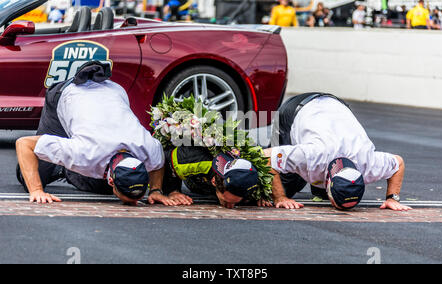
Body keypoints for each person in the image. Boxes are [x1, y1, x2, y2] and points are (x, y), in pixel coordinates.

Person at [15, 61, 171, 206]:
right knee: (32, 178)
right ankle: (61, 167)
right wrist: (36, 190)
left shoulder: (147, 147)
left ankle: (67, 169)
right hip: (66, 93)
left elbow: (158, 158)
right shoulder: (84, 152)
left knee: (99, 184)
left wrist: (156, 190)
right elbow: (24, 144)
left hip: (112, 91)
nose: (136, 205)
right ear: (111, 180)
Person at [263, 93, 412, 211]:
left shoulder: (367, 163)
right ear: (329, 182)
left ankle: (318, 188)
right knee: (287, 185)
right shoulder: (312, 155)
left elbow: (398, 163)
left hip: (336, 107)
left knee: (318, 190)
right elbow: (267, 156)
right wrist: (280, 197)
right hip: (296, 108)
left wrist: (392, 198)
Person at [161, 146, 260, 209]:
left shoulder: (250, 176)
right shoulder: (194, 158)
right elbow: (164, 159)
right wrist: (172, 191)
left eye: (235, 203)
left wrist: (261, 196)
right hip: (192, 173)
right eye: (226, 201)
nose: (230, 207)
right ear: (214, 181)